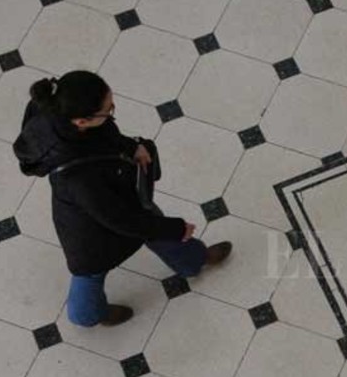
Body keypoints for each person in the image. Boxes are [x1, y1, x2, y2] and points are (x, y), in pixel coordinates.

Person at [13, 71, 231, 327]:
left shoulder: (60, 109)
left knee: (153, 226)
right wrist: (176, 227)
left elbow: (104, 132)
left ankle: (194, 260)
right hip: (91, 234)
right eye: (108, 110)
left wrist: (130, 146)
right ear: (82, 121)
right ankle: (88, 315)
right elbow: (122, 220)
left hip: (113, 194)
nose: (111, 112)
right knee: (92, 271)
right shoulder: (79, 179)